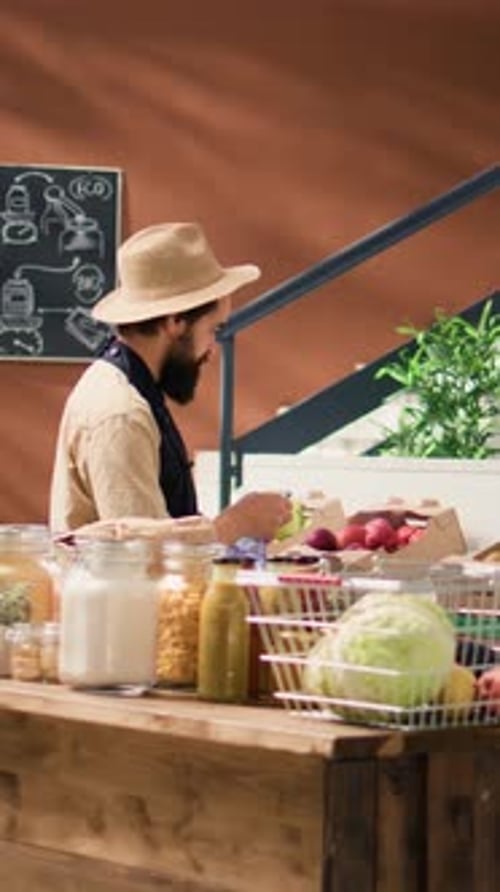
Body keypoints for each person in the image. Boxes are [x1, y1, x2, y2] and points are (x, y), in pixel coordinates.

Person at [49, 222, 291, 544]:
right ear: (176, 321)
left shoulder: (130, 387)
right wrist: (232, 526)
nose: (212, 351)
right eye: (213, 330)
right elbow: (138, 556)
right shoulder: (122, 414)